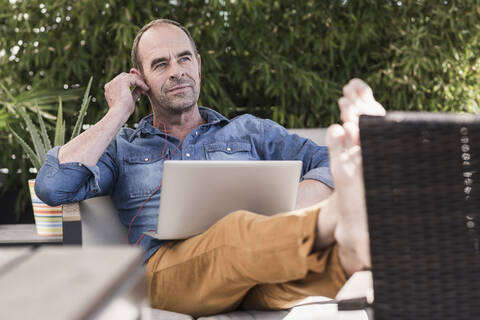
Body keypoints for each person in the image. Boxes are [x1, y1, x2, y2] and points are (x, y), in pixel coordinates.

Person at [35, 19, 385, 317]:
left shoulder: (251, 131)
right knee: (234, 230)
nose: (177, 71)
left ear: (198, 65)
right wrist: (117, 112)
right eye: (160, 64)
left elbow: (324, 160)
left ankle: (349, 250)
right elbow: (54, 185)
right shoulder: (122, 147)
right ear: (139, 79)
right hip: (168, 274)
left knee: (312, 266)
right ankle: (337, 219)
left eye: (184, 59)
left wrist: (298, 202)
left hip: (255, 269)